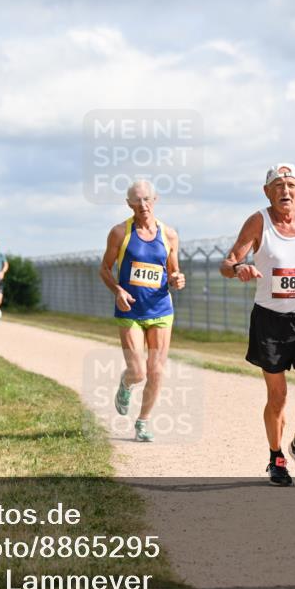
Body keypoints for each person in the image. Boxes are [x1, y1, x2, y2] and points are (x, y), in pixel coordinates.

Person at [220, 164, 295, 485]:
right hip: (269, 321)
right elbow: (228, 262)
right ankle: (276, 457)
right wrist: (239, 269)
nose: (284, 191)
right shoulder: (258, 221)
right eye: (277, 185)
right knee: (278, 397)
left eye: (290, 185)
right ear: (267, 192)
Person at [98, 179, 185, 443]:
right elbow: (104, 269)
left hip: (160, 309)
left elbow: (173, 271)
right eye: (137, 200)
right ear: (129, 204)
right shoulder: (119, 233)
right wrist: (118, 291)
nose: (142, 204)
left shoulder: (168, 234)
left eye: (147, 199)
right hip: (130, 311)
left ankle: (143, 421)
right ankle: (126, 383)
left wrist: (177, 279)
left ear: (155, 200)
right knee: (138, 371)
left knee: (156, 370)